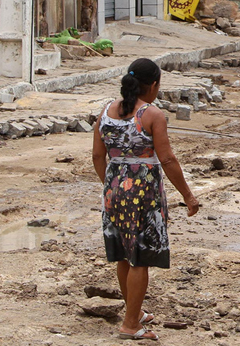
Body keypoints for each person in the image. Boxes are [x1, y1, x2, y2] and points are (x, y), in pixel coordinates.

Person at [92, 58, 200, 341]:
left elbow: (97, 156)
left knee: (124, 254)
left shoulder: (105, 112)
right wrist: (188, 195)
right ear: (153, 86)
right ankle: (130, 324)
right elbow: (167, 158)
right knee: (140, 257)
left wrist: (112, 185)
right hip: (143, 193)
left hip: (113, 190)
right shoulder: (152, 115)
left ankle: (135, 311)